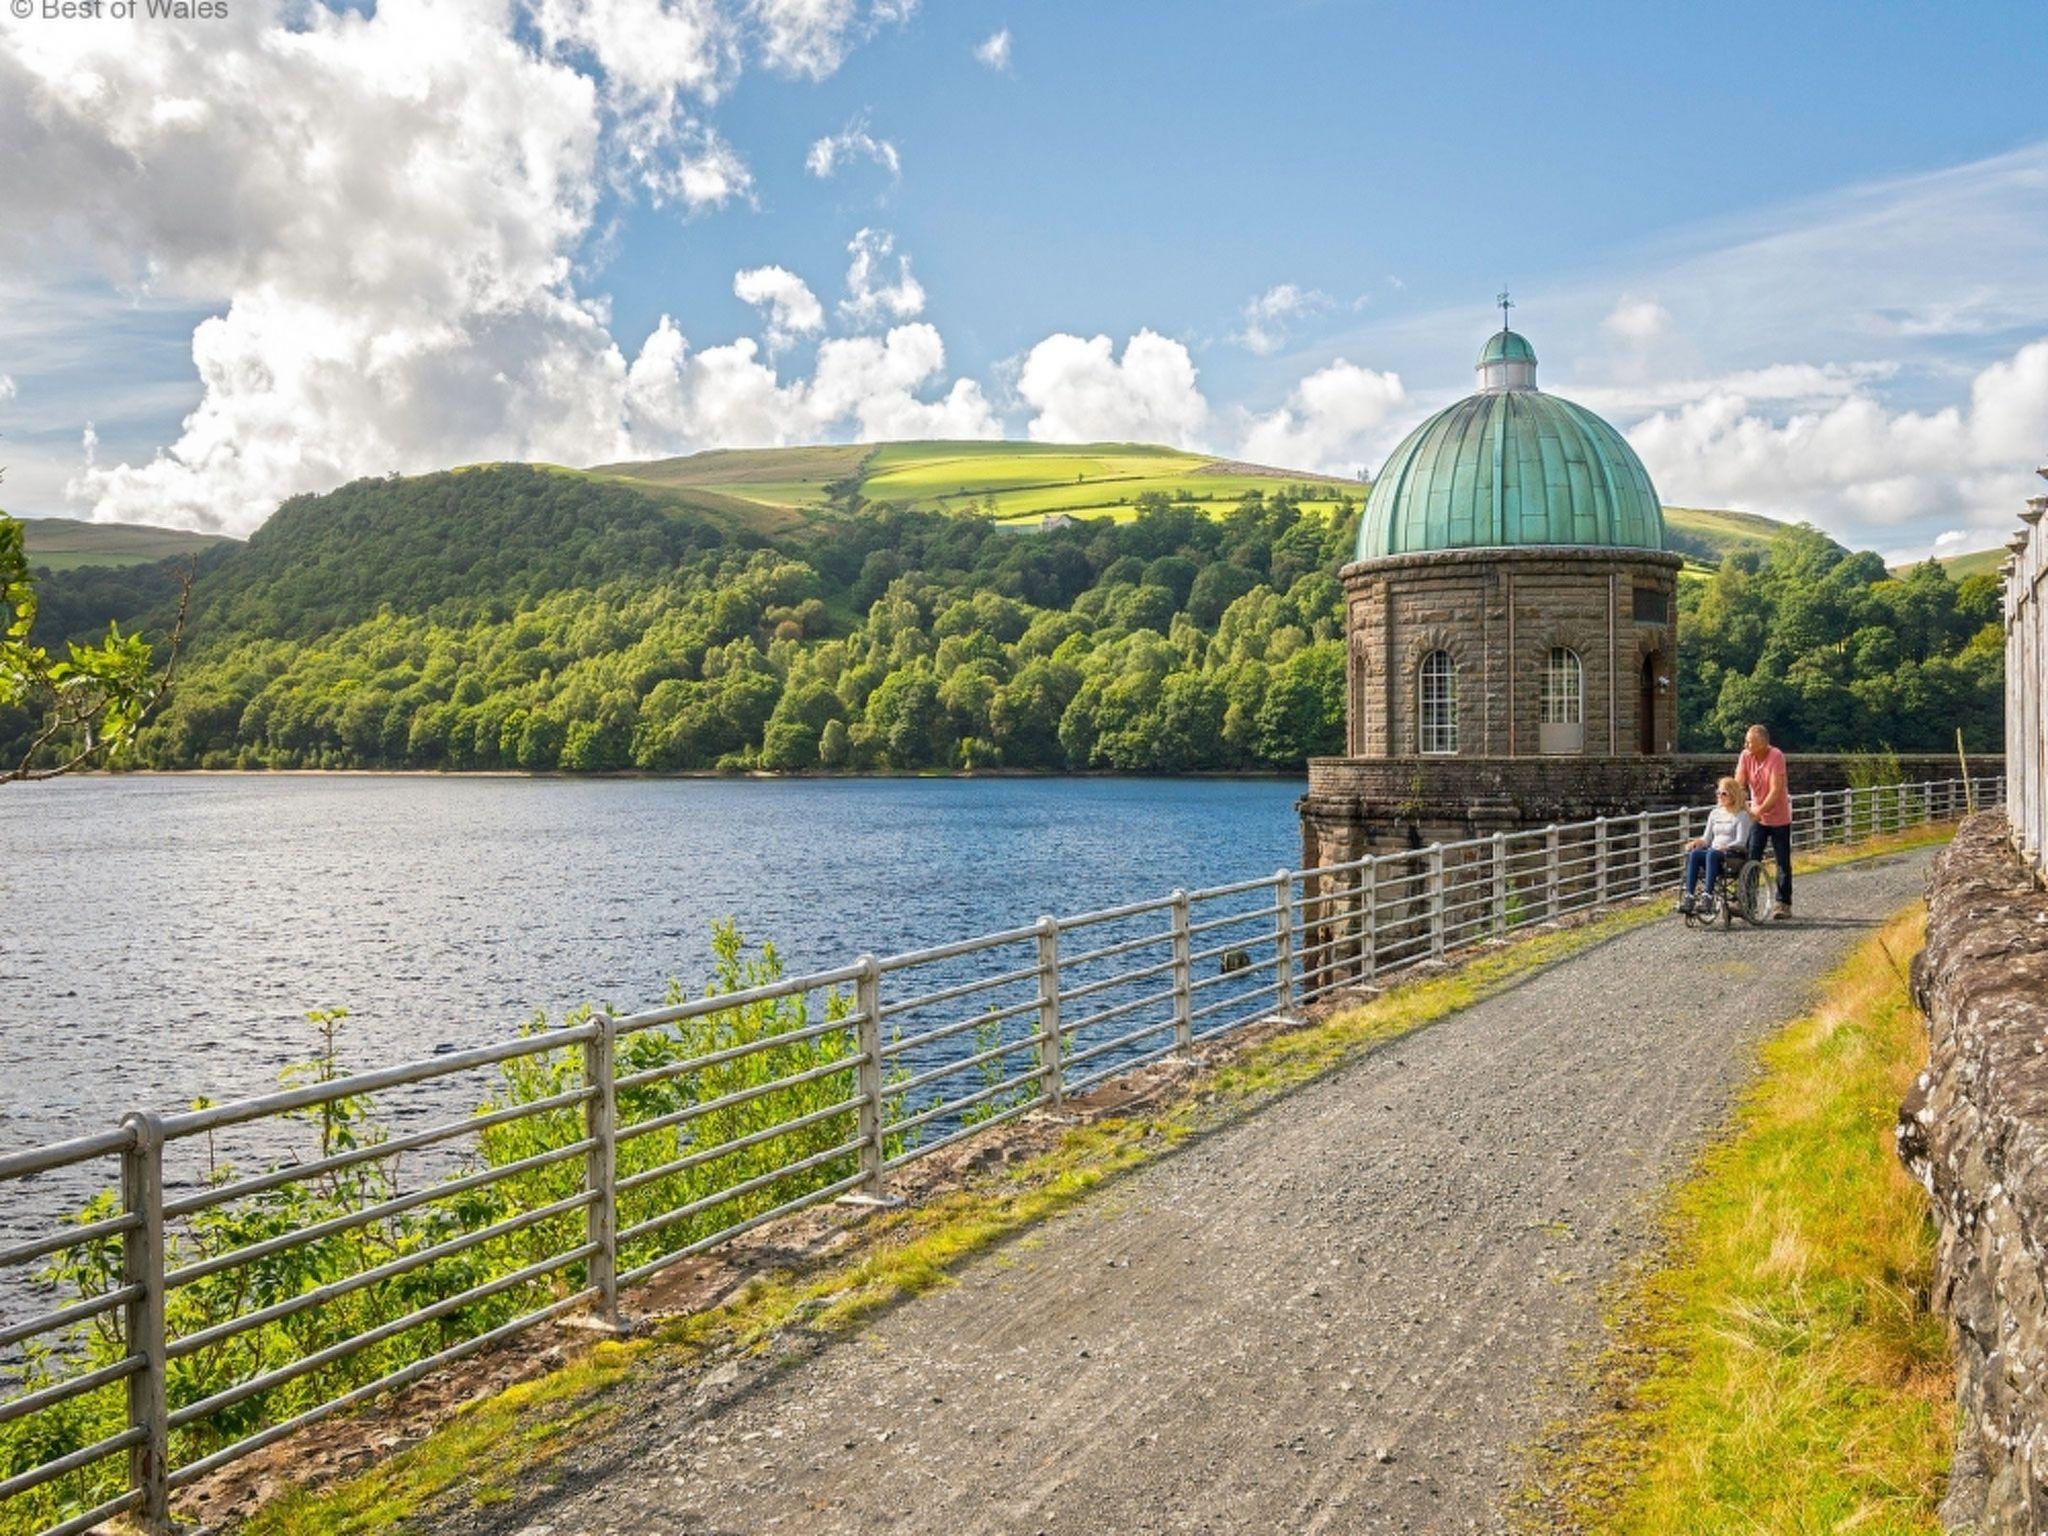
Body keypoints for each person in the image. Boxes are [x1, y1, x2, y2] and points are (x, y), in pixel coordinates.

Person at [1736, 723, 1793, 919]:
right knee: (1751, 858)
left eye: (1749, 742)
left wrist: (1759, 810)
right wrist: (1745, 806)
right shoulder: (1745, 756)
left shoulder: (1776, 756)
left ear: (1762, 743)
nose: (1746, 745)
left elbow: (1776, 790)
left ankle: (1783, 903)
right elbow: (1739, 784)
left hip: (1778, 816)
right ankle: (1748, 903)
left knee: (1782, 861)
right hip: (1757, 816)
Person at [1679, 776, 1753, 916]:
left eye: (1723, 793)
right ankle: (1689, 897)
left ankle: (1708, 896)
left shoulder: (1742, 815)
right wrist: (1695, 843)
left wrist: (1726, 846)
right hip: (1713, 853)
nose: (1720, 796)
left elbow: (1741, 841)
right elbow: (1706, 839)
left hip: (1733, 855)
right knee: (1694, 854)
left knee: (1712, 853)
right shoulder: (1715, 813)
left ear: (1733, 794)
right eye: (1718, 793)